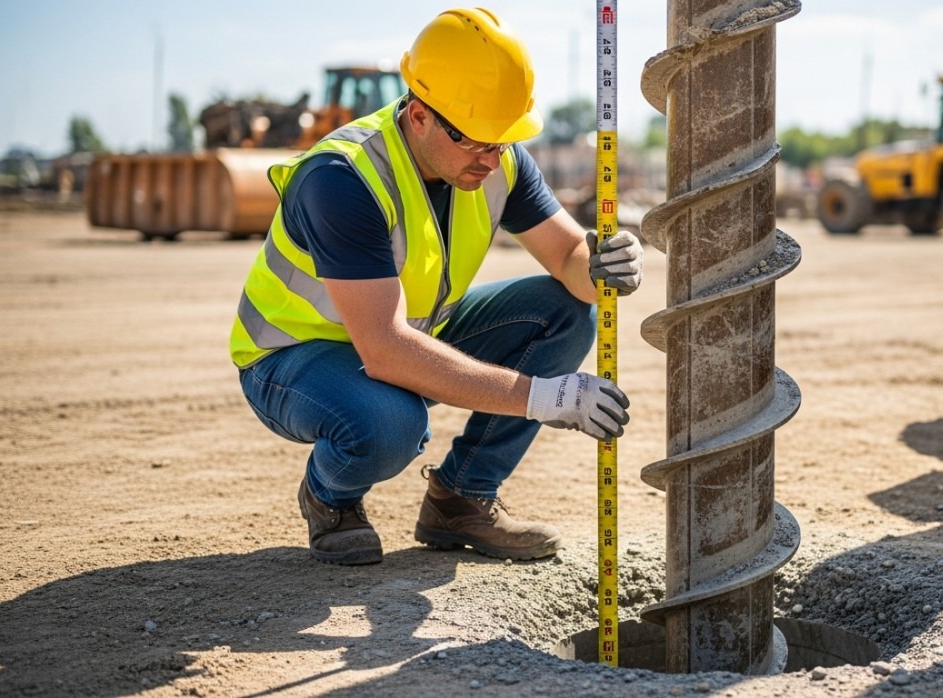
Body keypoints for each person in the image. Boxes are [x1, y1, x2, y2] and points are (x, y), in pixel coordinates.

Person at [228, 6, 644, 566]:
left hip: (408, 335)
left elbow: (568, 256)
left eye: (503, 140)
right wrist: (544, 397)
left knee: (566, 310)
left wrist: (601, 262)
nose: (491, 158)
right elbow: (385, 350)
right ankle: (332, 500)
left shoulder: (497, 158)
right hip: (291, 358)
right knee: (390, 423)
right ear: (419, 114)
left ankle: (462, 498)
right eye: (475, 141)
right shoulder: (342, 178)